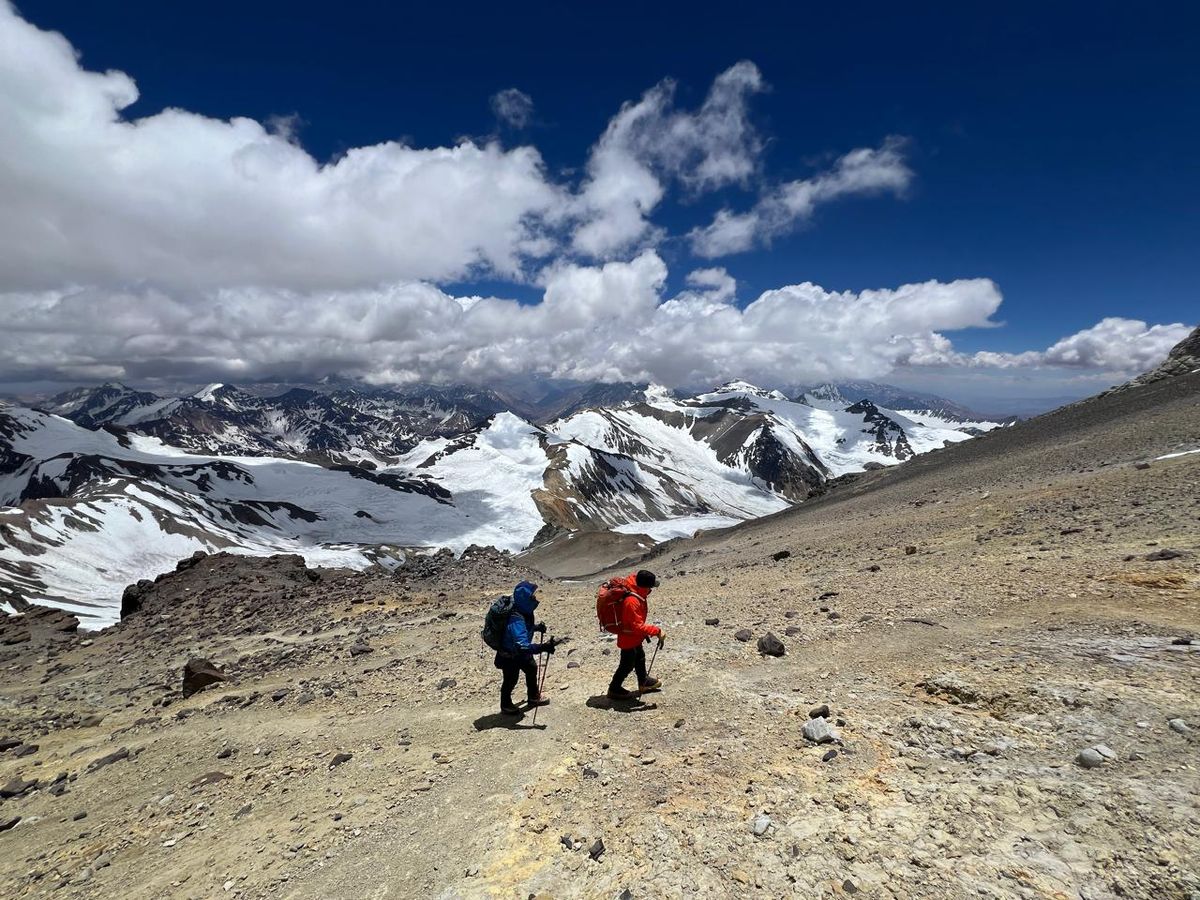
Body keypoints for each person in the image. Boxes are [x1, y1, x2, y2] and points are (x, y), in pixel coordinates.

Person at [495, 580, 558, 714]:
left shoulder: (523, 611)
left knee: (531, 668)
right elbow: (521, 645)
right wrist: (543, 647)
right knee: (511, 679)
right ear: (525, 598)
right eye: (532, 596)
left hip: (518, 652)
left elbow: (524, 629)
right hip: (510, 654)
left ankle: (533, 697)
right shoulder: (516, 617)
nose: (535, 598)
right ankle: (505, 705)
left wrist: (536, 628)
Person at [607, 570, 664, 700]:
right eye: (650, 586)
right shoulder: (632, 601)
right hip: (628, 638)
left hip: (633, 637)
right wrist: (657, 631)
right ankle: (614, 689)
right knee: (627, 664)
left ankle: (643, 681)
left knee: (639, 657)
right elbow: (636, 626)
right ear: (645, 586)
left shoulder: (637, 594)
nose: (651, 589)